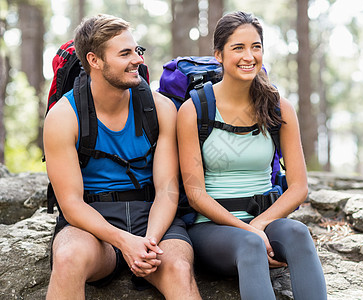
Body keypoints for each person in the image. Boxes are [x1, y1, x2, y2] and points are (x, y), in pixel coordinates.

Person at [44, 14, 201, 300]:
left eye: (137, 51)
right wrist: (124, 242)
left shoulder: (161, 108)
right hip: (91, 225)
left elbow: (167, 189)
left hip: (154, 219)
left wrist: (149, 242)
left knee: (178, 268)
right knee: (68, 259)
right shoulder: (63, 118)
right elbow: (70, 205)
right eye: (125, 53)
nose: (138, 59)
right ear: (94, 60)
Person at [177, 11, 327, 300]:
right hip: (212, 229)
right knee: (249, 244)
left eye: (256, 47)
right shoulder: (194, 110)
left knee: (297, 233)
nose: (249, 56)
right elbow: (195, 195)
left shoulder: (278, 107)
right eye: (238, 48)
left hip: (265, 219)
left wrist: (259, 225)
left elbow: (299, 187)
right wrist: (251, 233)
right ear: (218, 55)